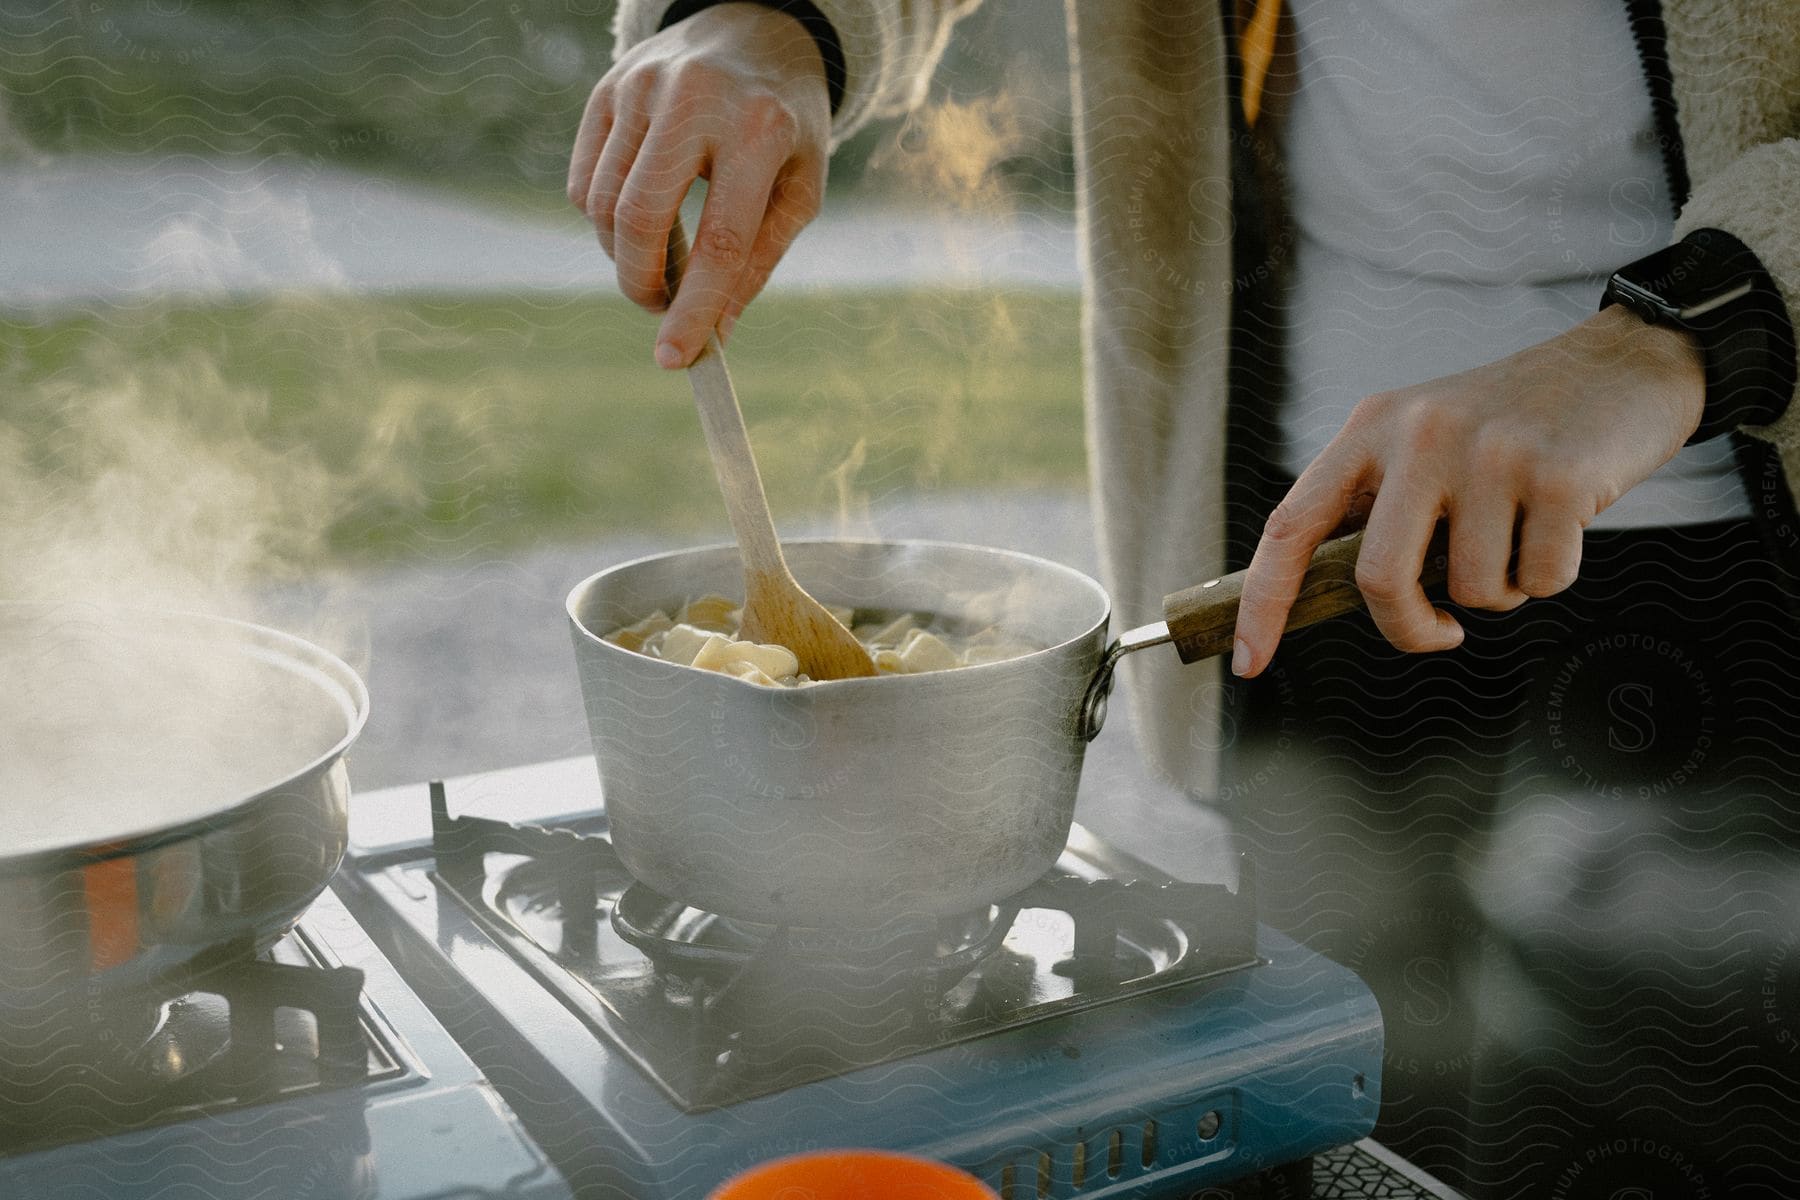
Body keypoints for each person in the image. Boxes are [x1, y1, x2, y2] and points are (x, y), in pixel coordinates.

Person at [568, 3, 1800, 1195]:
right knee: (1365, 1122)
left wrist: (1683, 332)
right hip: (1311, 531)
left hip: (1743, 555)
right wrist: (773, 20)